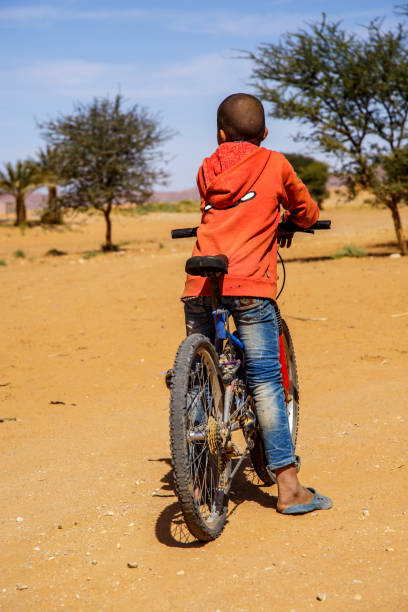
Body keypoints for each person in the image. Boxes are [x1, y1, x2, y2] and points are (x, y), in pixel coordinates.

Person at [181, 93, 332, 515]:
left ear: (219, 133)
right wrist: (287, 222)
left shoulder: (207, 167)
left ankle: (195, 473)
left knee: (198, 377)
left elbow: (222, 210)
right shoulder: (274, 162)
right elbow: (304, 211)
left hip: (200, 281)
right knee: (266, 379)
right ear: (265, 133)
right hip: (250, 284)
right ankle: (288, 487)